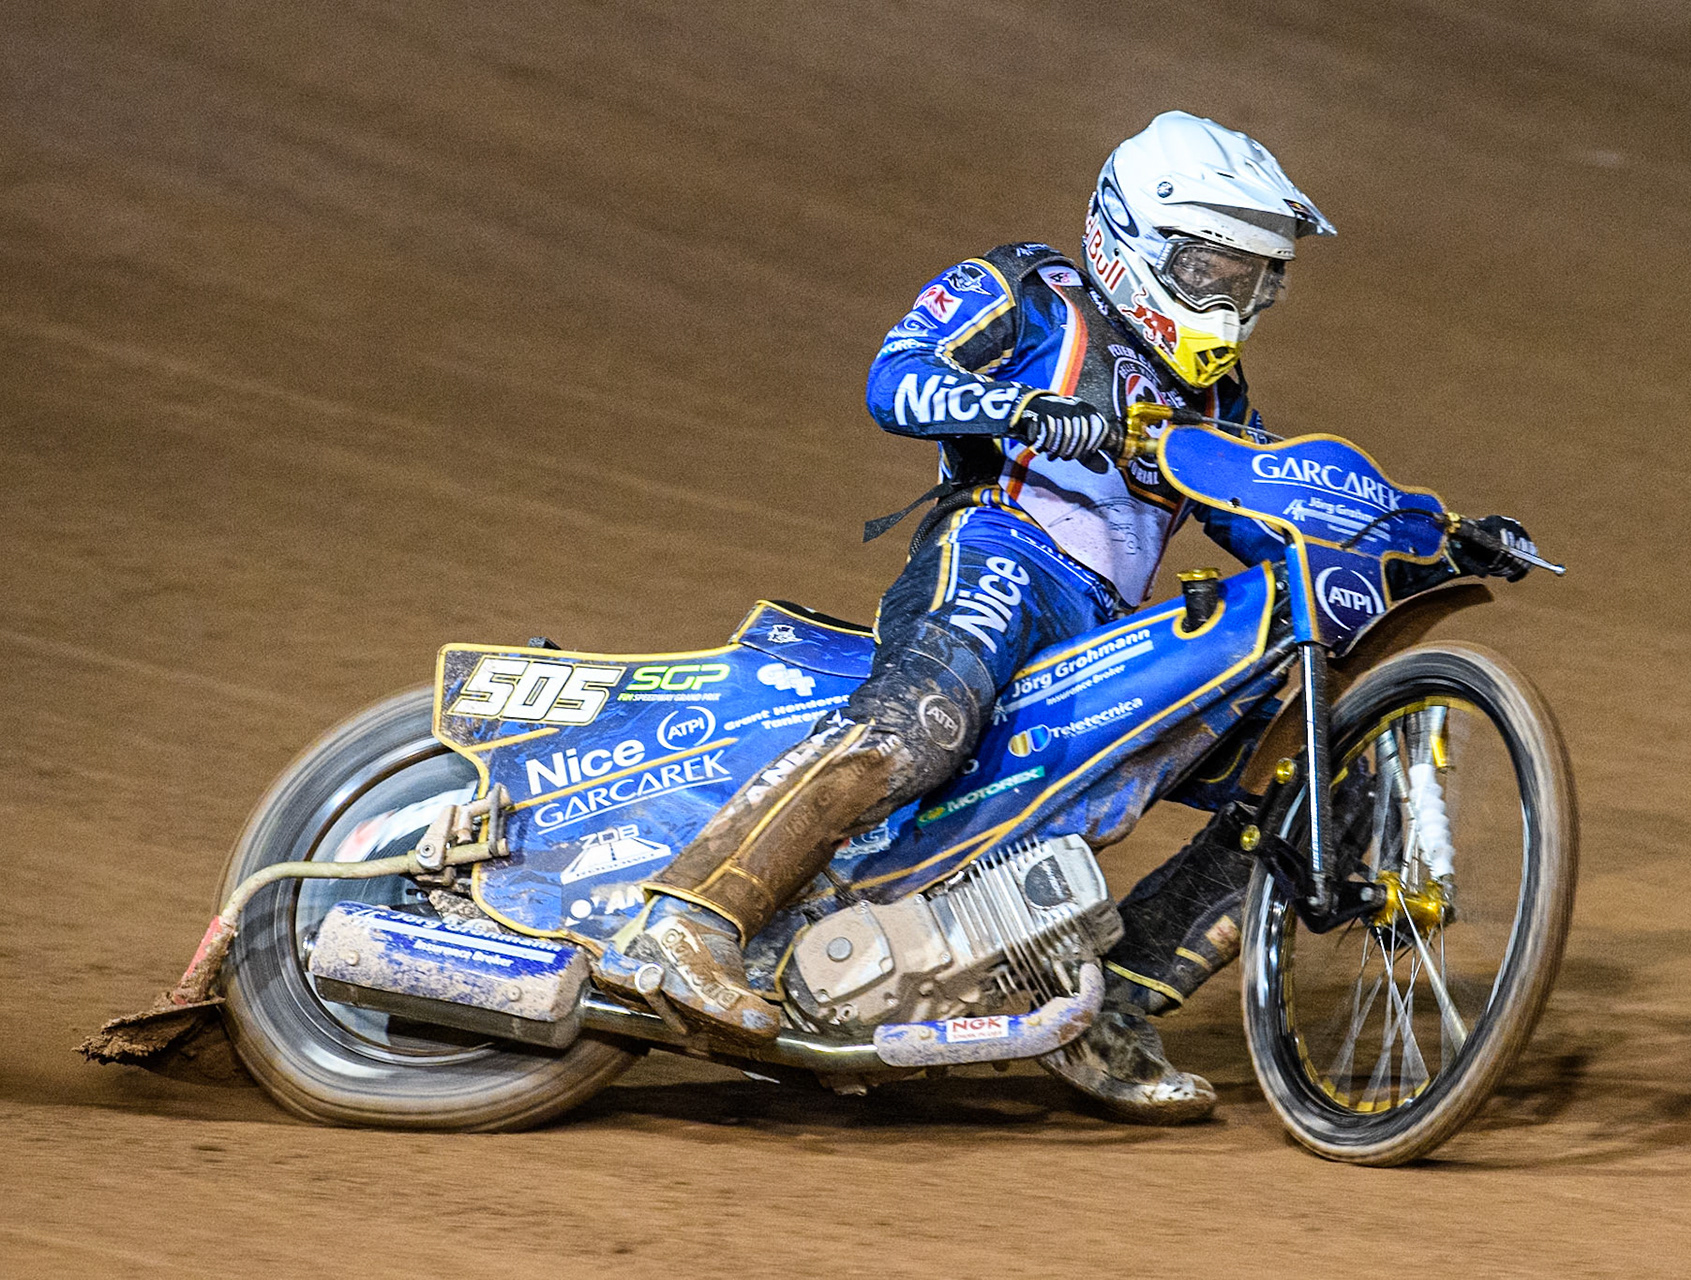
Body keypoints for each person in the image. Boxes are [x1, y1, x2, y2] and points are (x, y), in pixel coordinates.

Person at [596, 111, 1535, 1123]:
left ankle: (1110, 1005)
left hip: (1100, 630)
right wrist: (1019, 411)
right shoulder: (1038, 296)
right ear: (1137, 239)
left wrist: (1429, 538)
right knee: (930, 713)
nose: (1234, 297)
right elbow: (894, 377)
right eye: (1214, 268)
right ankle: (692, 917)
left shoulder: (1215, 404)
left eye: (1255, 278)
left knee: (1310, 780)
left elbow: (1277, 522)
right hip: (999, 552)